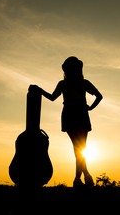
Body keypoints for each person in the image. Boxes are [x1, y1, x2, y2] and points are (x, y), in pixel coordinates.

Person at [29, 56, 103, 188]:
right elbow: (99, 96)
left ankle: (80, 178)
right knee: (79, 148)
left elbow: (99, 96)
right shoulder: (72, 84)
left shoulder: (78, 83)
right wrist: (90, 107)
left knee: (79, 149)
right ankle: (82, 177)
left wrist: (90, 107)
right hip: (74, 115)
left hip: (75, 114)